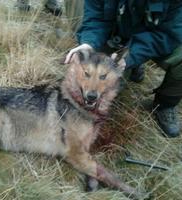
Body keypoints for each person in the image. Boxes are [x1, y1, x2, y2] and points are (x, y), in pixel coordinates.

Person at [65, 0, 182, 137]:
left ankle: (165, 104)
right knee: (100, 92)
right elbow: (95, 19)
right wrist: (89, 44)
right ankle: (133, 66)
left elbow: (168, 34)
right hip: (114, 33)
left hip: (152, 39)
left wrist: (131, 57)